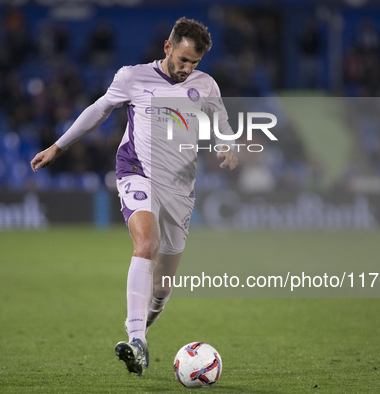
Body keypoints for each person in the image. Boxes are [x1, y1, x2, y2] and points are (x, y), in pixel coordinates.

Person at [30, 17, 238, 376]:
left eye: (195, 63)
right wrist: (59, 146)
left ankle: (143, 332)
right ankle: (137, 340)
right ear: (167, 48)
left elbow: (221, 125)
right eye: (184, 60)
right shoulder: (132, 77)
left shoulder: (206, 86)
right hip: (137, 172)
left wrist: (227, 146)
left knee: (163, 285)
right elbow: (99, 109)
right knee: (146, 246)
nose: (188, 69)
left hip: (180, 188)